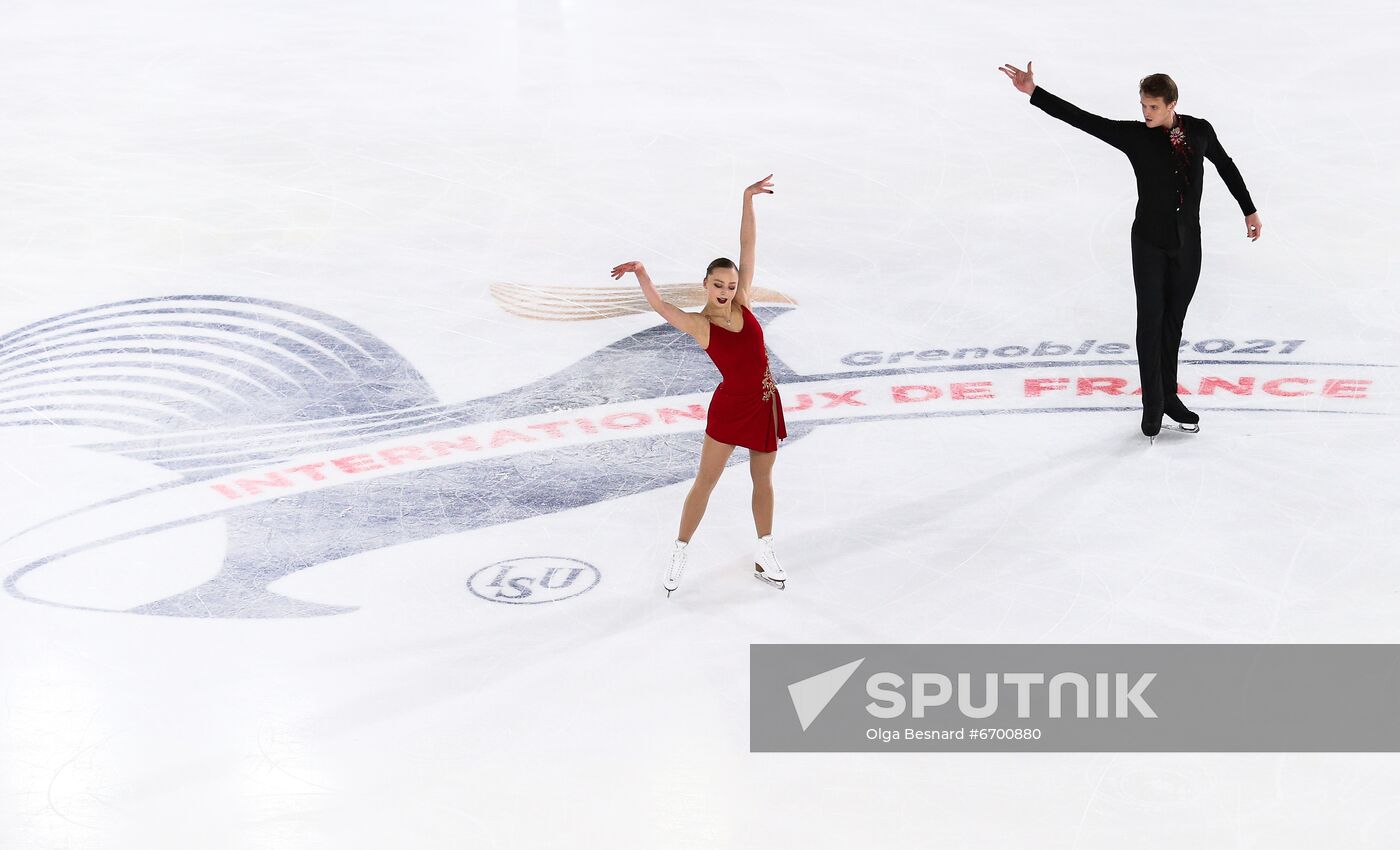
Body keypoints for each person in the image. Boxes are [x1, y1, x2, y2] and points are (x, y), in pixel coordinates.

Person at [998, 62, 1262, 439]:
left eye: (1153, 107)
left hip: (1188, 245)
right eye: (1143, 106)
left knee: (1173, 324)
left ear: (1172, 103)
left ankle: (1170, 397)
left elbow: (1226, 165)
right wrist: (1035, 93)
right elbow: (1085, 120)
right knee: (1150, 322)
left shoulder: (1200, 132)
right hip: (1149, 245)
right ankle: (1153, 405)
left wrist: (1248, 209)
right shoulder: (1136, 137)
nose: (1146, 113)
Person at [610, 175, 788, 596]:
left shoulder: (743, 300)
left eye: (730, 285)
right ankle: (680, 551)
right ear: (705, 285)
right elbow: (660, 306)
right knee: (705, 482)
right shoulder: (701, 325)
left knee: (763, 480)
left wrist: (748, 200)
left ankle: (765, 551)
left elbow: (748, 247)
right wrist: (641, 272)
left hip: (764, 403)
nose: (726, 291)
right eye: (719, 285)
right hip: (730, 409)